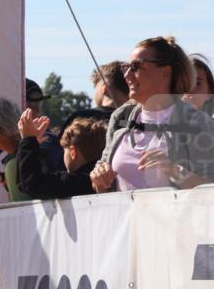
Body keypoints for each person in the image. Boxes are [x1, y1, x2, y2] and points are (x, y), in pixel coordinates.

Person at [91, 36, 214, 193]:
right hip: (124, 218)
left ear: (165, 72)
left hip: (174, 218)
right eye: (125, 67)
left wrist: (174, 171)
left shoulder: (197, 122)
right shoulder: (121, 116)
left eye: (135, 67)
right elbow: (101, 185)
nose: (127, 75)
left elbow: (210, 190)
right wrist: (99, 179)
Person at [17, 111, 107, 199]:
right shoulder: (106, 177)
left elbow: (32, 184)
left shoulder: (75, 182)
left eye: (64, 151)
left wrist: (28, 141)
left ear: (73, 152)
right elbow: (25, 184)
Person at [61, 61, 130, 133]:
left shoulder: (81, 118)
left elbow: (61, 143)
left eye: (96, 88)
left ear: (104, 88)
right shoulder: (135, 120)